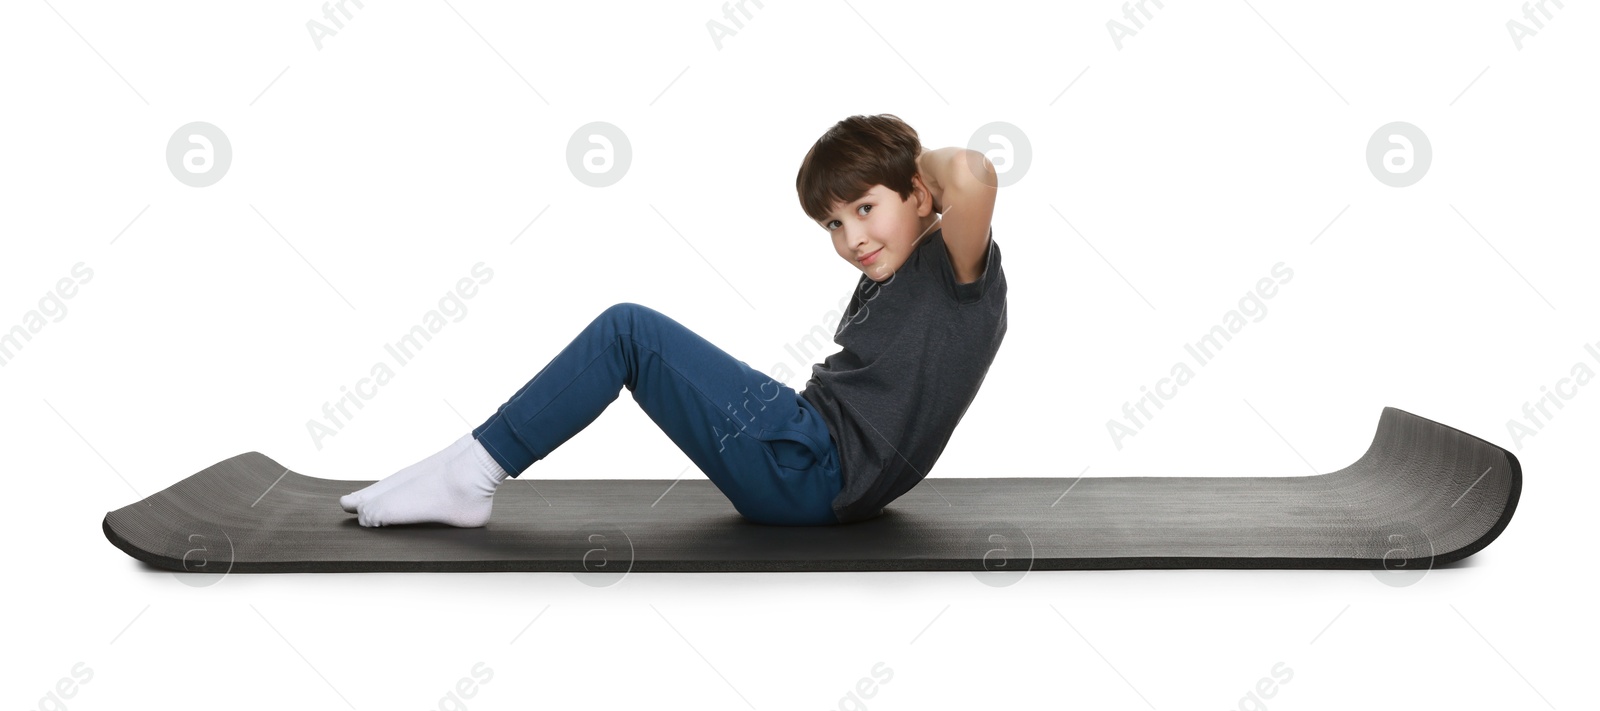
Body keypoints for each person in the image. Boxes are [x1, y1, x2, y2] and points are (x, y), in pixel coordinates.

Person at [339, 113, 1006, 527]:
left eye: (864, 207)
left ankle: (468, 475)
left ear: (922, 195)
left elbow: (973, 173)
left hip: (811, 472)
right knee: (633, 334)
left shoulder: (956, 271)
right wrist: (889, 187)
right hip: (805, 459)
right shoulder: (896, 275)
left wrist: (908, 163)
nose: (851, 235)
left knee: (629, 330)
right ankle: (460, 463)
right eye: (833, 222)